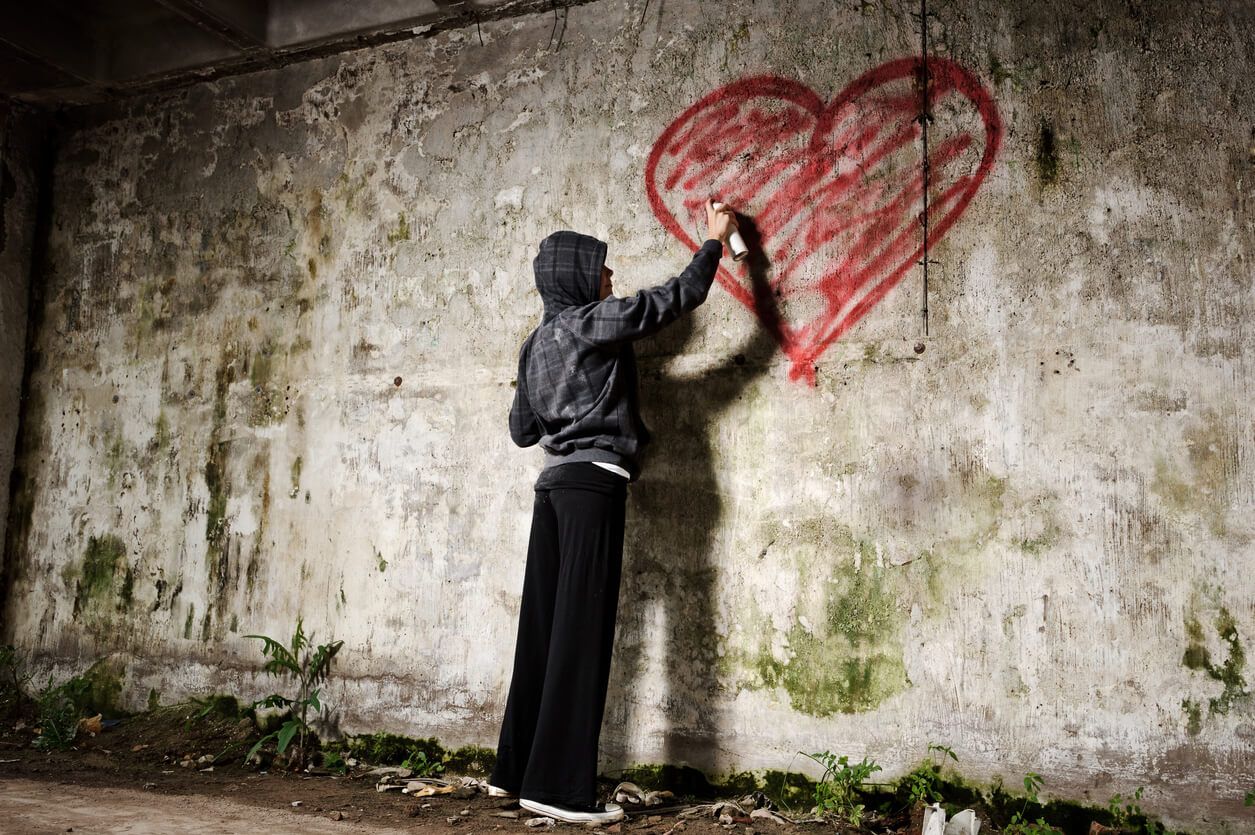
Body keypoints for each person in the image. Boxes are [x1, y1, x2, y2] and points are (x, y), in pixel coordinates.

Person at [488, 199, 740, 824]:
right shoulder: (589, 321)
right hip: (594, 485)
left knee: (543, 632)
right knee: (581, 633)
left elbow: (522, 431)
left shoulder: (536, 343)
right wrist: (714, 241)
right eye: (600, 267)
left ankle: (514, 773)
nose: (609, 275)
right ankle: (557, 789)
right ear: (577, 275)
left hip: (552, 488)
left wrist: (563, 403)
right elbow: (673, 300)